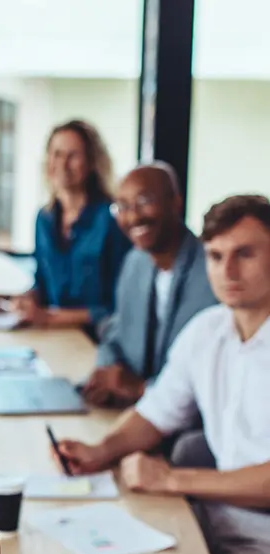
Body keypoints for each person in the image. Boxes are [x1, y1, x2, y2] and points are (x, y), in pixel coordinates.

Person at [55, 194, 270, 554]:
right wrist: (101, 450)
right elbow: (156, 413)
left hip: (263, 540)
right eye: (215, 256)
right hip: (211, 515)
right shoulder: (208, 330)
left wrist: (171, 479)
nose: (226, 271)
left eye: (244, 254)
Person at [83, 163, 216, 407]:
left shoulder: (213, 273)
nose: (133, 216)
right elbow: (115, 335)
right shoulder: (135, 263)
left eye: (144, 201)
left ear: (175, 202)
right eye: (122, 206)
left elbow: (210, 376)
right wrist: (107, 371)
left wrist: (141, 389)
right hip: (132, 411)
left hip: (182, 422)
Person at [0, 120, 130, 334]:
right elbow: (42, 283)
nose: (62, 163)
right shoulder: (44, 219)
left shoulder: (112, 220)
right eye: (56, 154)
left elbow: (118, 306)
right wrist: (15, 301)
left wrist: (49, 317)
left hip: (97, 339)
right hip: (55, 335)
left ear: (91, 163)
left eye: (73, 155)